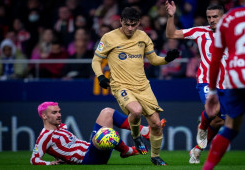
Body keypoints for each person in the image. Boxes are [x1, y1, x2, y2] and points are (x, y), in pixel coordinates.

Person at [92, 7, 179, 165]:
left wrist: (167, 59)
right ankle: (136, 135)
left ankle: (155, 156)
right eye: (127, 25)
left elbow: (153, 60)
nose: (130, 28)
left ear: (139, 23)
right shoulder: (109, 37)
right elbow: (96, 60)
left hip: (143, 86)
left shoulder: (143, 36)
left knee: (156, 125)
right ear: (121, 22)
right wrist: (100, 76)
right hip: (121, 85)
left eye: (134, 25)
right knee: (136, 110)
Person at [165, 1, 227, 164]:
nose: (211, 20)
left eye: (215, 17)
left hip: (227, 84)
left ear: (223, 17)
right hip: (206, 81)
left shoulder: (234, 34)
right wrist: (171, 16)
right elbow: (172, 34)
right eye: (209, 17)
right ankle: (202, 125)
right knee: (213, 110)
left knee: (219, 120)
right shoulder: (200, 32)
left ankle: (197, 149)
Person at [30, 102, 164, 165]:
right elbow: (34, 159)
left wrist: (64, 159)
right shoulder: (45, 137)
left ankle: (144, 131)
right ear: (44, 116)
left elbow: (66, 149)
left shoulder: (62, 127)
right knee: (107, 134)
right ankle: (127, 151)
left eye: (59, 111)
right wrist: (50, 164)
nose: (59, 115)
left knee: (107, 111)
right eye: (54, 113)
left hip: (92, 149)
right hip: (89, 160)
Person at [203, 2, 245, 170]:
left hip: (235, 76)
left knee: (231, 127)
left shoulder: (227, 20)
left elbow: (215, 59)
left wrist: (212, 91)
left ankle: (207, 168)